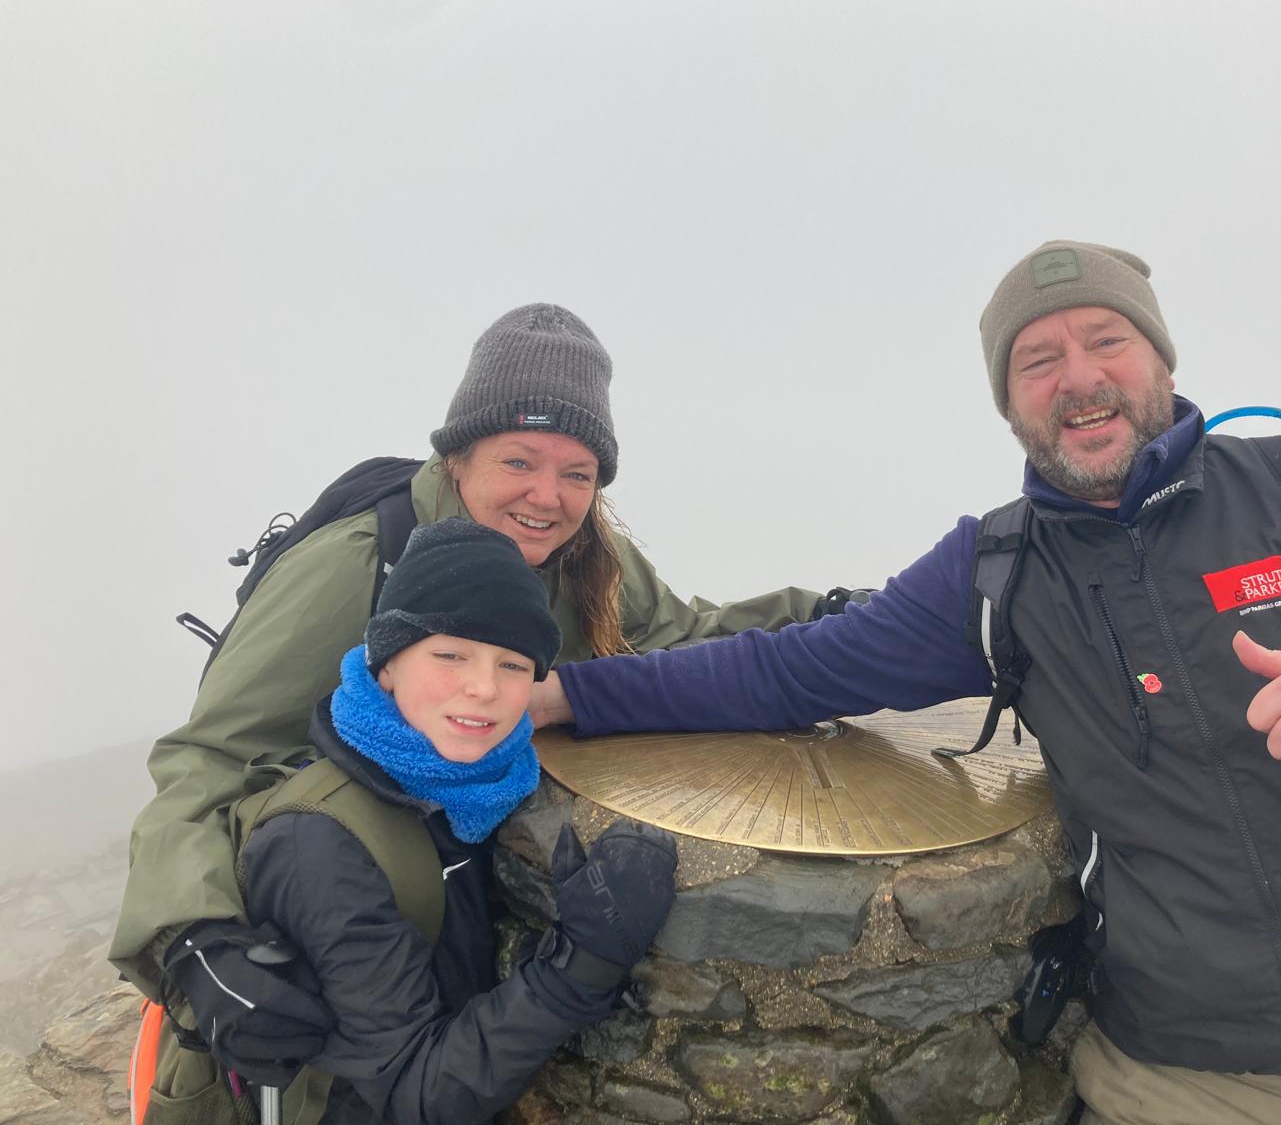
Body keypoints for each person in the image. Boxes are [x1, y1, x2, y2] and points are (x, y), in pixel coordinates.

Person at [530, 242, 1281, 1124]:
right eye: (1036, 359)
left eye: (1106, 340)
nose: (1077, 376)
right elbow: (792, 667)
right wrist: (570, 698)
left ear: (1160, 360)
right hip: (1165, 1081)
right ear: (1009, 404)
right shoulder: (997, 570)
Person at [112, 303, 837, 1071]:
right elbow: (213, 756)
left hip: (460, 915)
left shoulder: (588, 557)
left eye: (577, 474)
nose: (547, 497)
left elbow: (678, 636)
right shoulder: (359, 563)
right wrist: (196, 941)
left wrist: (827, 619)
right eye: (519, 462)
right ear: (458, 457)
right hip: (338, 930)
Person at [160, 517, 678, 1123]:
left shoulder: (484, 782)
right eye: (450, 654)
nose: (483, 688)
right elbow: (414, 1091)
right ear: (386, 666)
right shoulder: (320, 841)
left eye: (513, 665)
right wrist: (584, 962)